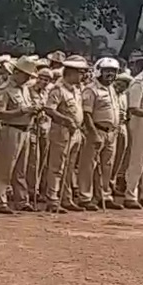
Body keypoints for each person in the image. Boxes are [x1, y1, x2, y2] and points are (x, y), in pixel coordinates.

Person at [0, 57, 41, 213]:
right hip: (10, 129)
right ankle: (0, 200)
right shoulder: (5, 89)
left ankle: (21, 199)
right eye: (25, 75)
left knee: (21, 168)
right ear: (16, 72)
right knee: (5, 167)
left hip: (26, 129)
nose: (27, 78)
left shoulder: (25, 89)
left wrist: (34, 111)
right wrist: (20, 112)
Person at [76, 57, 122, 210]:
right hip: (96, 130)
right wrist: (93, 133)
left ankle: (104, 195)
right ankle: (85, 196)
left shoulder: (111, 88)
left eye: (113, 71)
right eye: (107, 71)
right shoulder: (91, 89)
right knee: (89, 165)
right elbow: (87, 113)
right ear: (99, 71)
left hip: (111, 133)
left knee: (107, 165)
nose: (110, 74)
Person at [42, 57, 87, 213]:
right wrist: (66, 119)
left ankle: (65, 197)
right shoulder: (58, 89)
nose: (82, 76)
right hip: (61, 130)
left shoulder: (76, 89)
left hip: (76, 131)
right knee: (57, 166)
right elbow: (49, 109)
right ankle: (53, 199)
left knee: (69, 167)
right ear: (71, 73)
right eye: (80, 73)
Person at [123, 64, 143, 208]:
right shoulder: (139, 83)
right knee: (137, 159)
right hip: (141, 123)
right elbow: (134, 108)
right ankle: (130, 194)